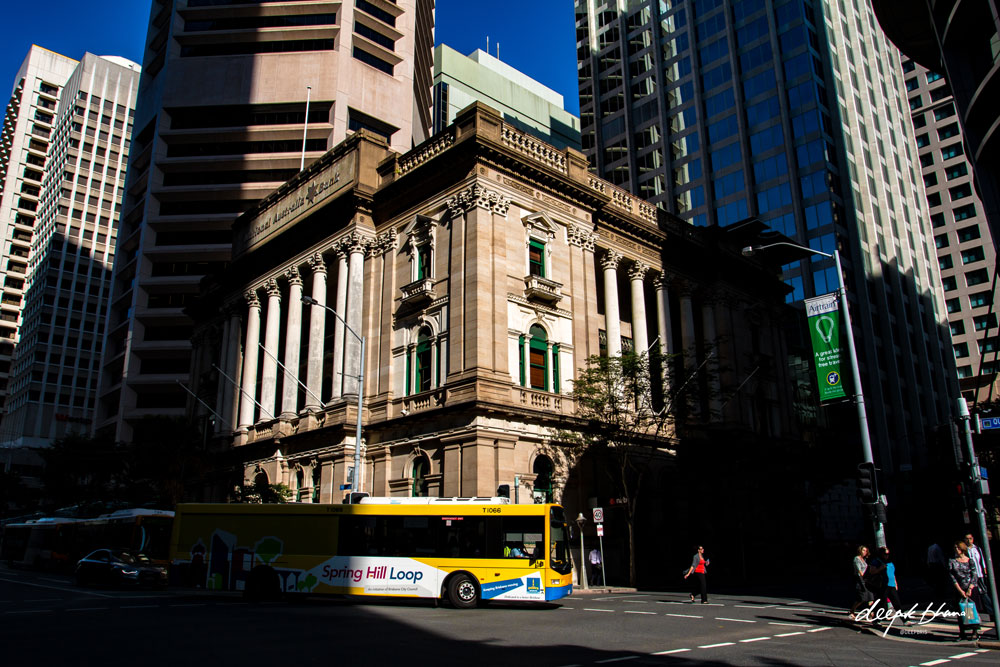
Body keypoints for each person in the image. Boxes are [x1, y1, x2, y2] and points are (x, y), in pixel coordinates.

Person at [948, 541, 981, 640]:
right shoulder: (952, 561)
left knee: (971, 610)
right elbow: (952, 576)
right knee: (960, 611)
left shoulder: (969, 561)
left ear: (962, 549)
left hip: (970, 588)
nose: (956, 550)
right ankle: (962, 633)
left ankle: (974, 631)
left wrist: (970, 588)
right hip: (959, 589)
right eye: (955, 548)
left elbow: (974, 575)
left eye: (958, 548)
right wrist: (960, 590)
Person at [965, 532, 993, 618]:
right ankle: (970, 617)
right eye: (967, 539)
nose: (969, 540)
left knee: (983, 593)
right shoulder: (965, 551)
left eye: (970, 538)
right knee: (968, 596)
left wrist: (984, 570)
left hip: (979, 574)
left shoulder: (977, 548)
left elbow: (982, 560)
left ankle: (991, 613)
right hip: (968, 578)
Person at [878, 546, 904, 618]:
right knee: (883, 605)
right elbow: (871, 571)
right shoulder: (877, 561)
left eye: (888, 554)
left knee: (897, 603)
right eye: (885, 554)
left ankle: (905, 620)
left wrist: (895, 583)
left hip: (891, 585)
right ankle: (877, 620)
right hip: (883, 585)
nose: (887, 555)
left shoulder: (890, 562)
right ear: (881, 554)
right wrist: (880, 568)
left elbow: (892, 573)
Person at [849, 545, 872, 620]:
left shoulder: (864, 559)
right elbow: (859, 571)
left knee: (871, 597)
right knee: (862, 598)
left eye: (866, 551)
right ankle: (852, 610)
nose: (865, 552)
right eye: (863, 550)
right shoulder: (857, 559)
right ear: (860, 550)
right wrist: (864, 576)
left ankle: (870, 613)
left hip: (866, 579)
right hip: (860, 579)